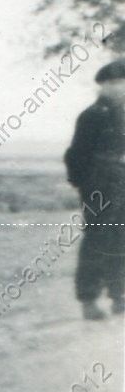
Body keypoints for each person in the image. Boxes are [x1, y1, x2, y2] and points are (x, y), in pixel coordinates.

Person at [64, 58, 125, 319]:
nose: (116, 88)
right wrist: (85, 185)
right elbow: (76, 155)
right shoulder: (91, 116)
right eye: (110, 84)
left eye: (120, 83)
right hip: (100, 185)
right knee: (97, 239)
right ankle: (89, 299)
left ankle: (119, 296)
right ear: (102, 86)